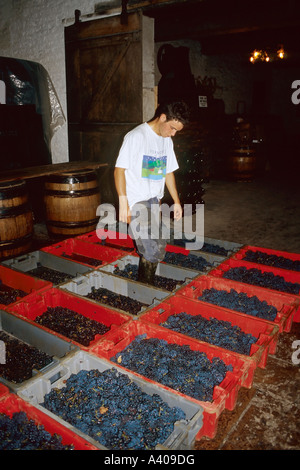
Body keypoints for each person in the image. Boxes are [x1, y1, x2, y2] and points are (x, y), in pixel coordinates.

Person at [114, 101, 190, 285]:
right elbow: (119, 170)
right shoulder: (136, 136)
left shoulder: (166, 140)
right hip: (137, 202)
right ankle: (144, 288)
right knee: (152, 248)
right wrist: (123, 203)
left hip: (153, 201)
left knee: (157, 244)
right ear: (163, 117)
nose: (173, 134)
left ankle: (145, 283)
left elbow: (167, 171)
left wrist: (177, 201)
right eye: (172, 128)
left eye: (176, 131)